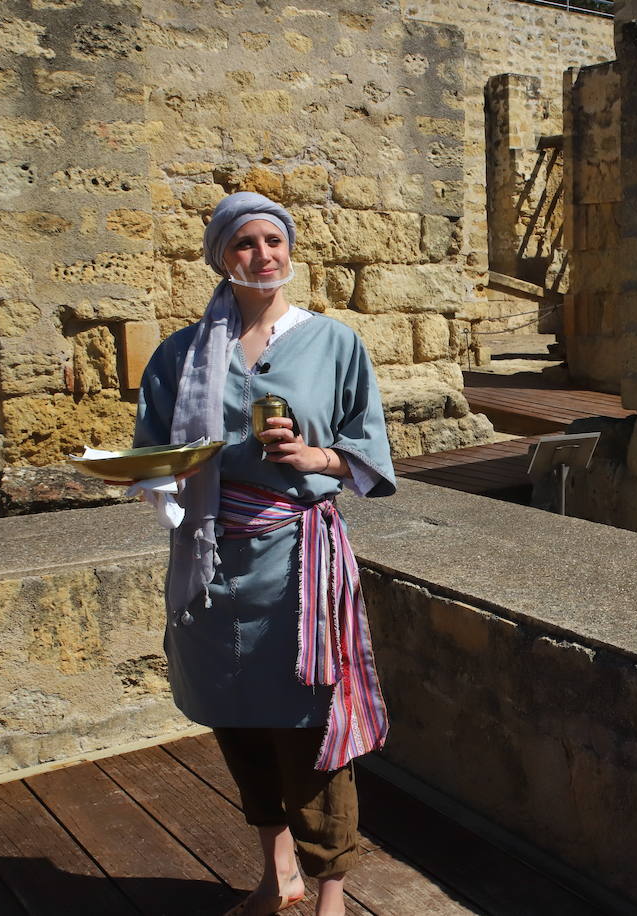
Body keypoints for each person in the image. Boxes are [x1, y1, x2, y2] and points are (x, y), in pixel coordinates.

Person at [134, 191, 396, 916]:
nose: (263, 254)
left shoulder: (334, 343)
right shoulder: (181, 355)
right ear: (221, 255)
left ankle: (331, 894)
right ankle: (276, 873)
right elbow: (155, 458)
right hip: (210, 564)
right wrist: (163, 473)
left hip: (297, 566)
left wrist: (314, 455)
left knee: (310, 724)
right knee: (238, 718)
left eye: (273, 241)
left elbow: (369, 453)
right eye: (244, 242)